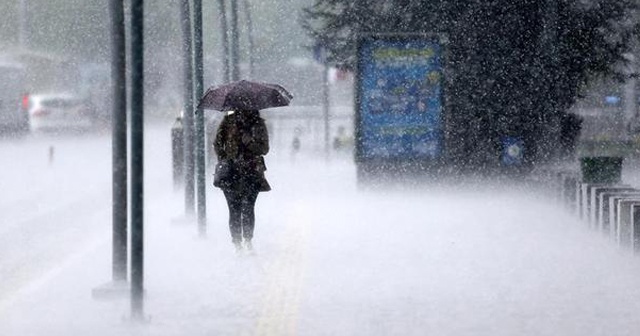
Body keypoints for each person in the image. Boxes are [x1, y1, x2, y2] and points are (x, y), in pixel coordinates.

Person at [213, 109, 270, 253]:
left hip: (251, 172)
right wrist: (225, 158)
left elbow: (264, 149)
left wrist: (249, 142)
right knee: (234, 209)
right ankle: (237, 243)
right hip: (231, 173)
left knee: (248, 208)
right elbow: (217, 144)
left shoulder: (258, 124)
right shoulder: (228, 122)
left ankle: (248, 240)